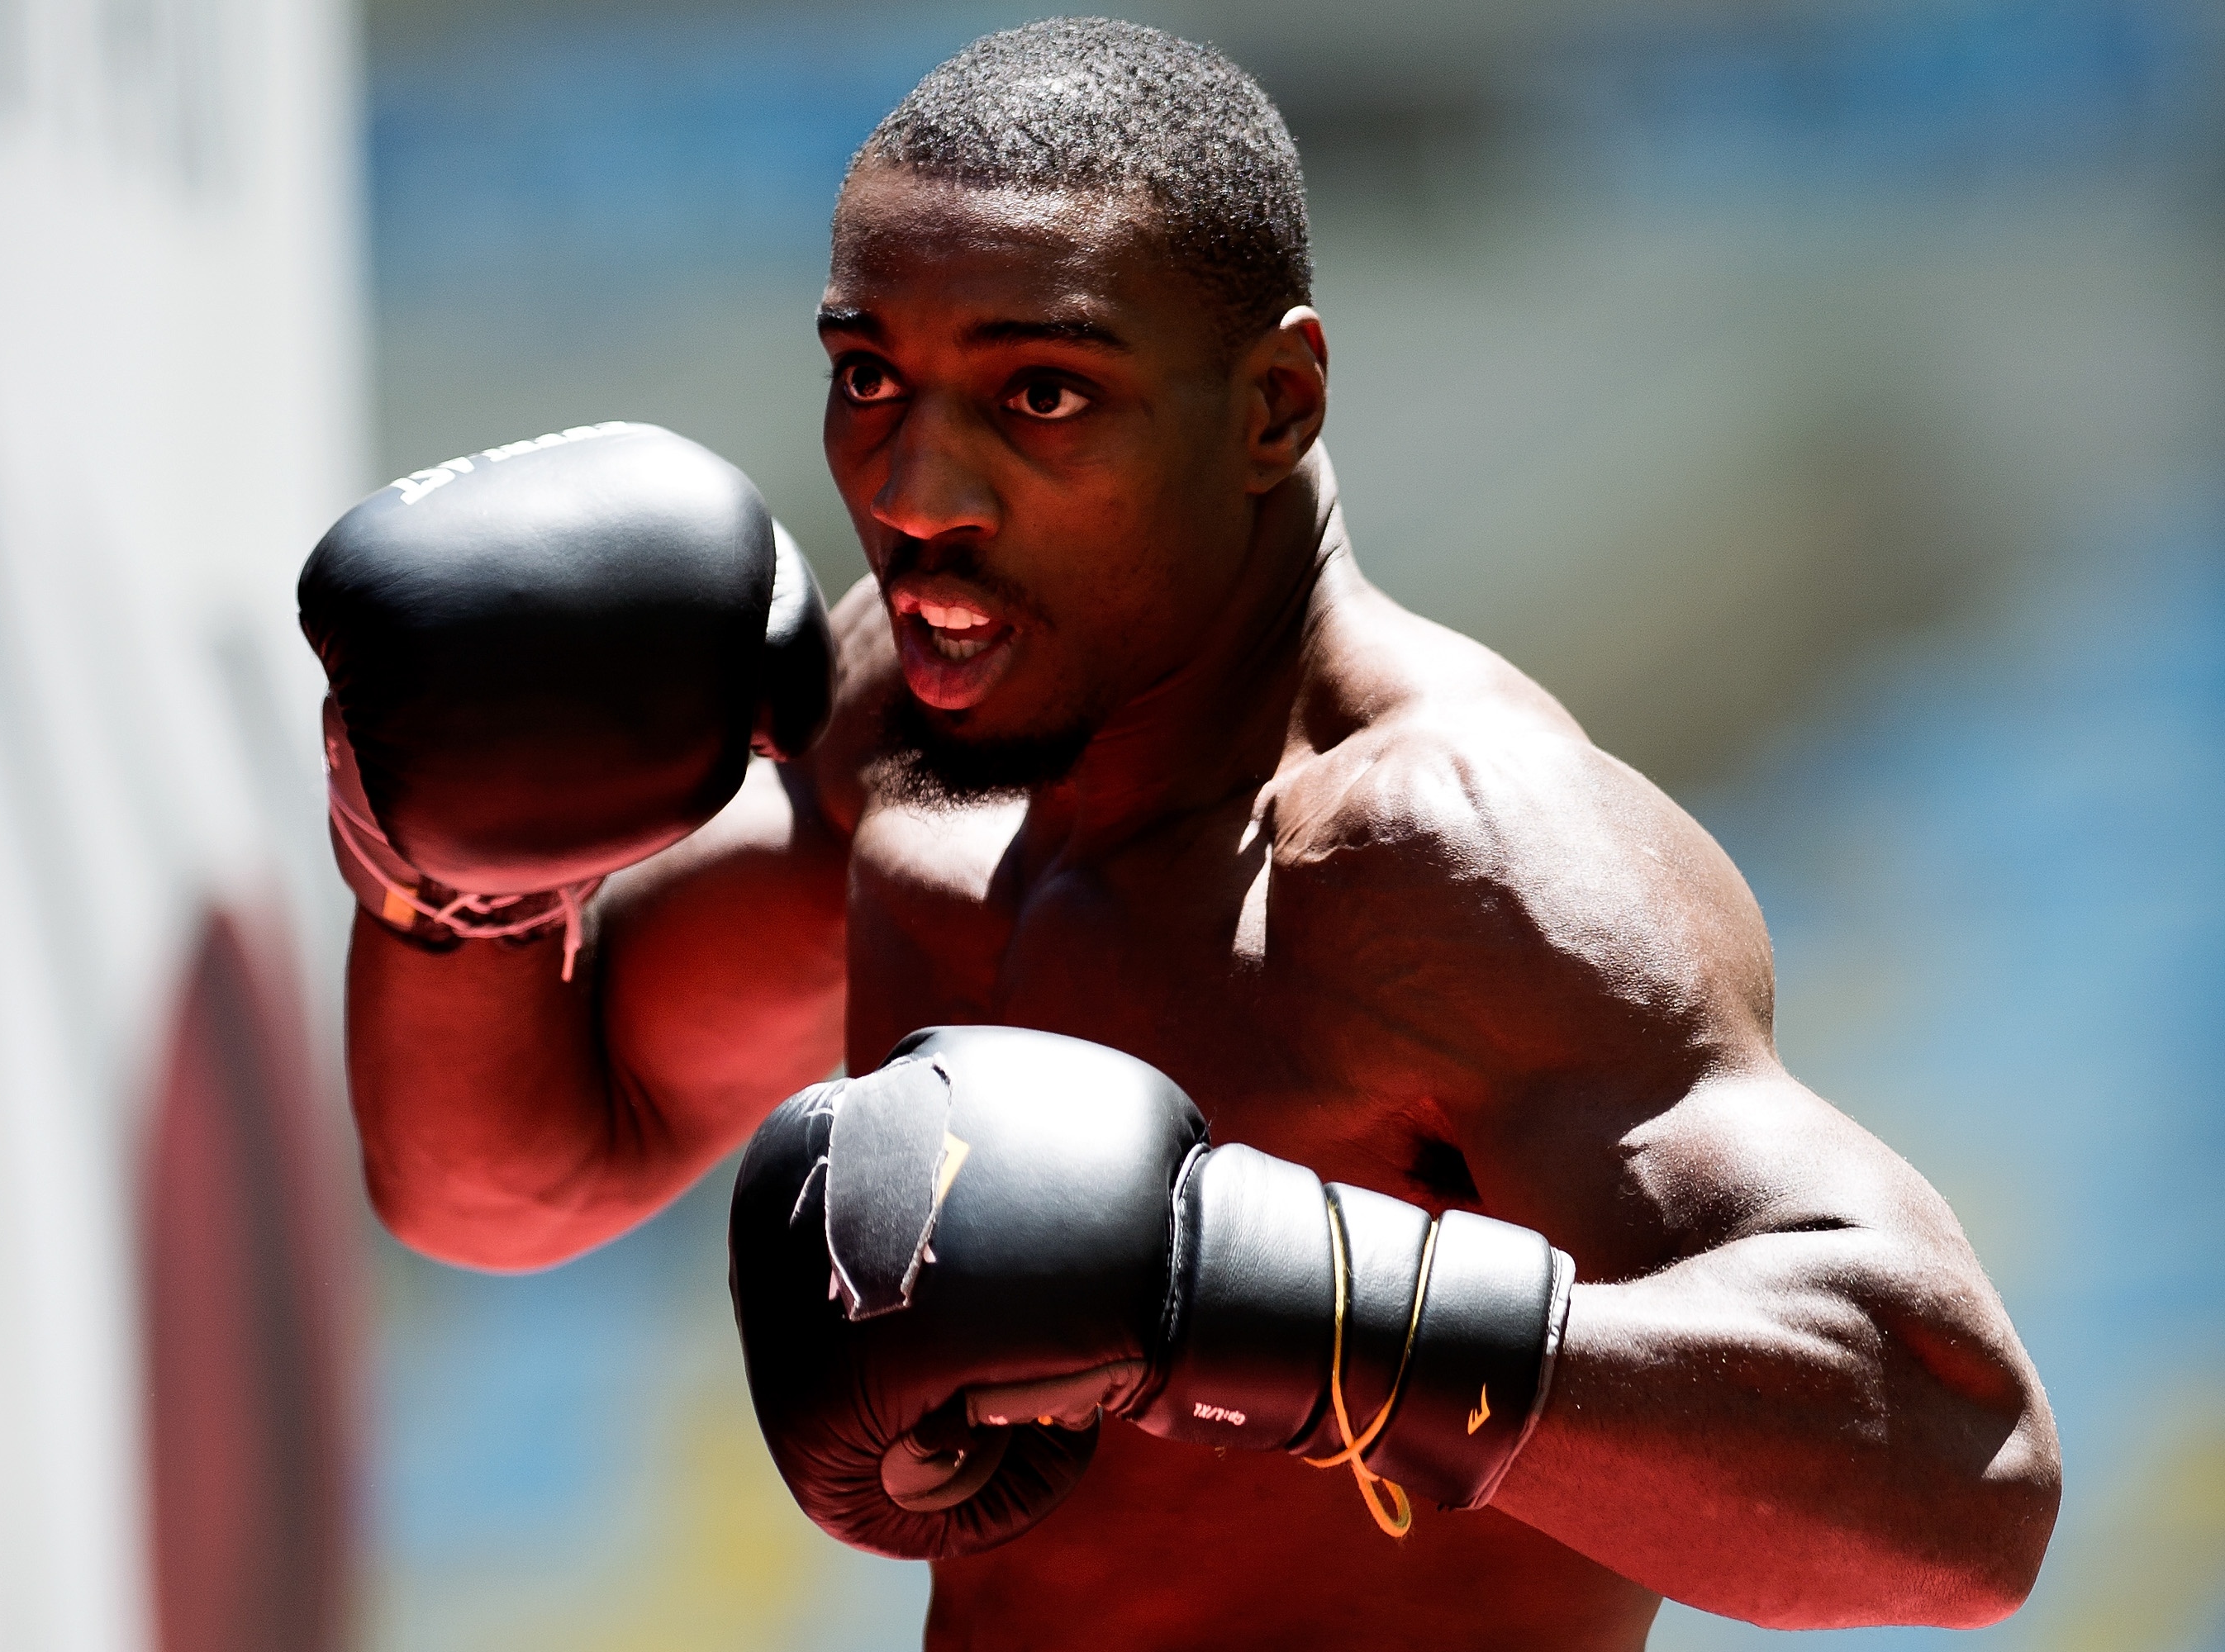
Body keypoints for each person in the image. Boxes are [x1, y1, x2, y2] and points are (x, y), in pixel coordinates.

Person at [315, 20, 2058, 1647]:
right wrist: (448, 888)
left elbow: (1967, 1484)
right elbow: (511, 1178)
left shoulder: (1453, 858)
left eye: (1041, 393)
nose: (916, 489)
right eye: (870, 375)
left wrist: (1270, 1311)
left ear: (1277, 404)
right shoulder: (900, 722)